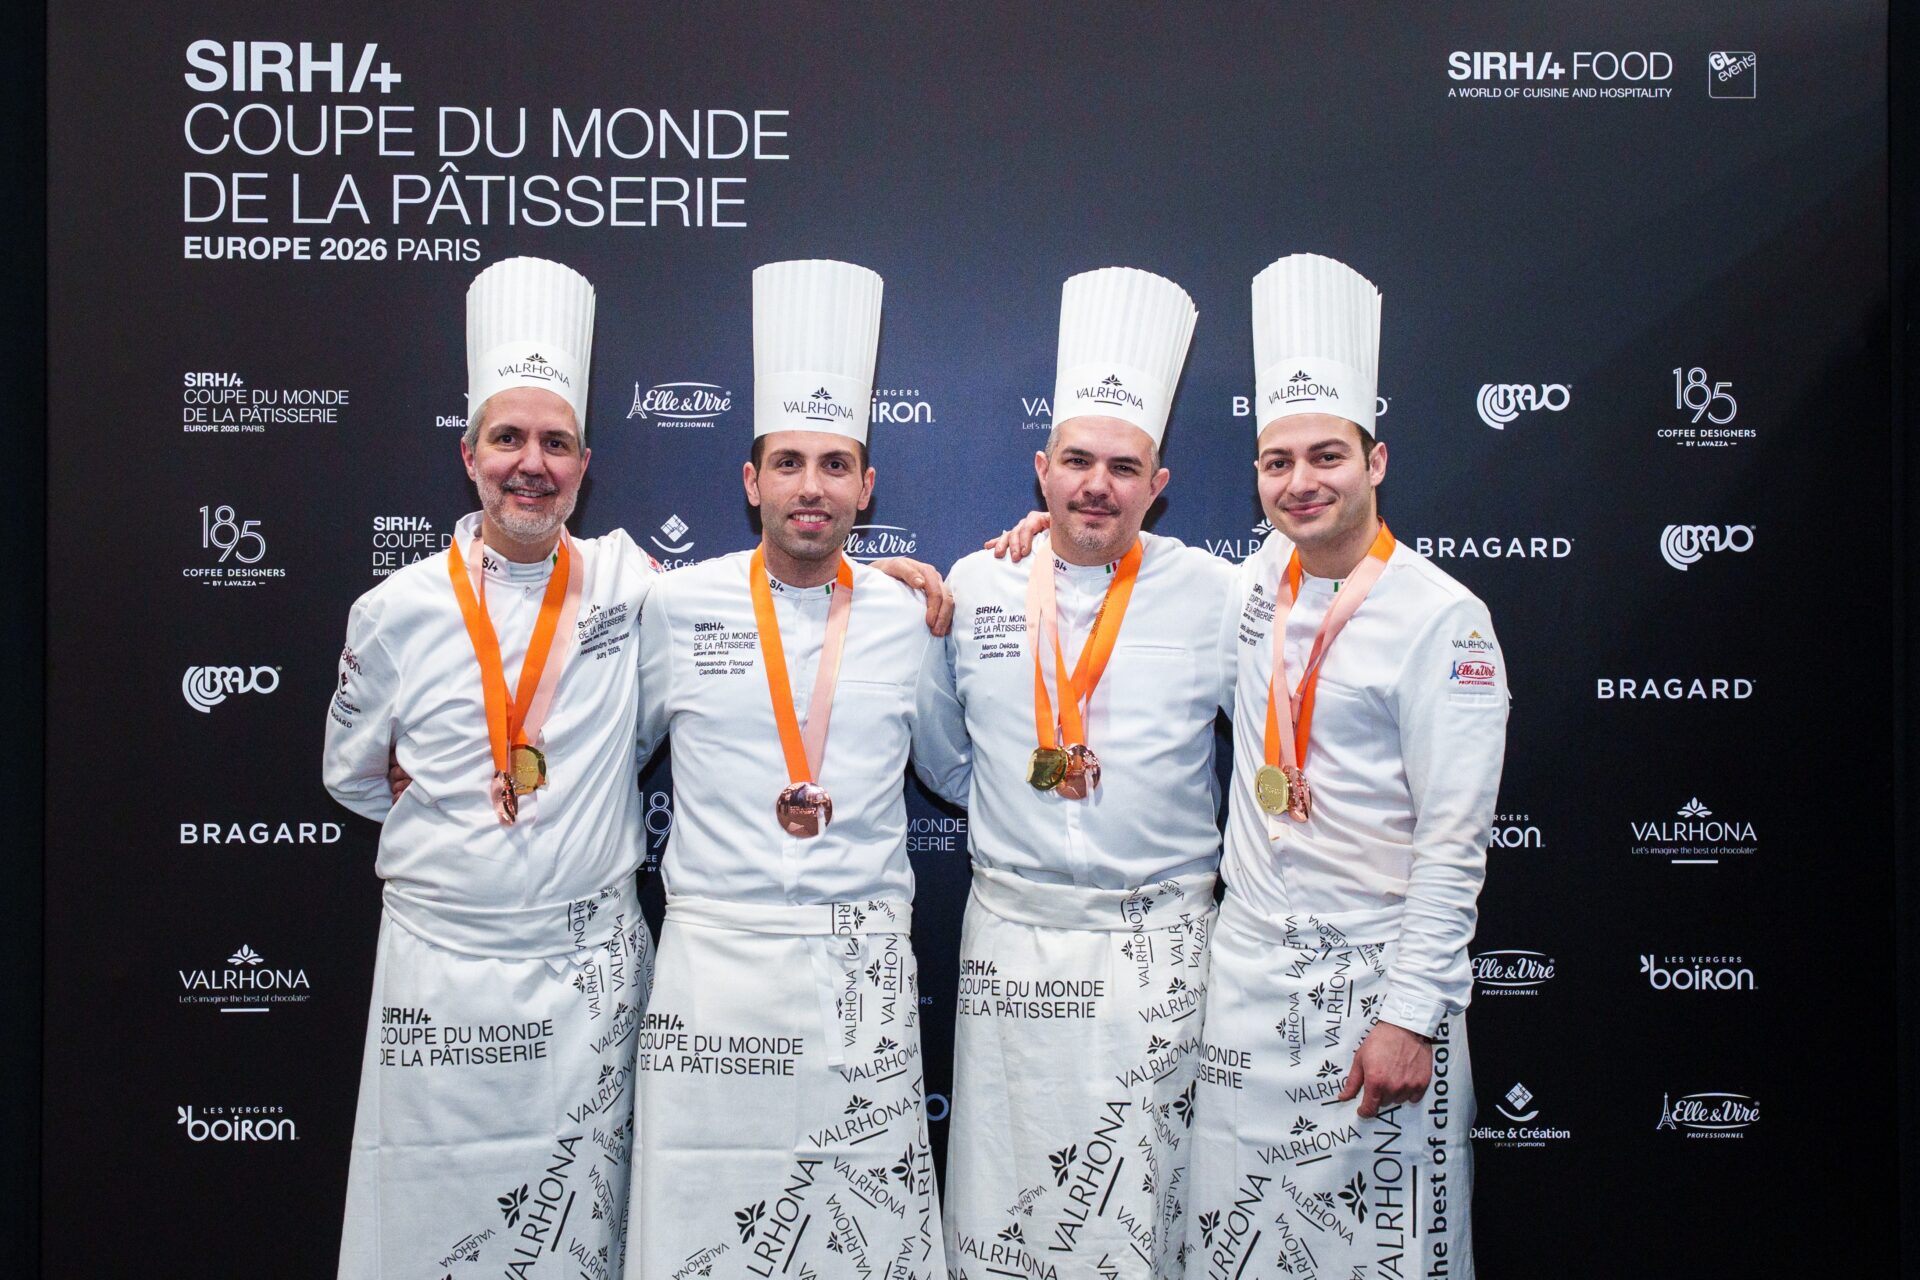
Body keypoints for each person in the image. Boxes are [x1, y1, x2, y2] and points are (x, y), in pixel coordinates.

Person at [625, 259, 958, 1280]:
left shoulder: (906, 615)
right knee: (704, 1225)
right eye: (788, 463)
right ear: (751, 481)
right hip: (714, 974)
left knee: (861, 1233)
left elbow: (955, 772)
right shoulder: (676, 606)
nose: (811, 486)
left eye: (834, 464)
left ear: (866, 486)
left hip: (859, 973)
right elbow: (608, 754)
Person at [325, 256, 657, 1276]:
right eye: (508, 438)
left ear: (585, 465)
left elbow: (774, 589)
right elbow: (351, 774)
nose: (531, 464)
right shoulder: (395, 610)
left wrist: (887, 579)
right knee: (432, 1232)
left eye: (555, 443)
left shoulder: (632, 582)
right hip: (443, 979)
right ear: (469, 455)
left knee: (575, 1235)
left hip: (586, 980)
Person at [1181, 253, 1508, 1278]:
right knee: (1239, 1247)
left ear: (1376, 461)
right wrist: (1037, 541)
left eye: (1327, 455)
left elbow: (1454, 842)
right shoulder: (1253, 583)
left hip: (1374, 988)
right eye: (1277, 461)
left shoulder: (1445, 618)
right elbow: (1119, 575)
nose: (1301, 481)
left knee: (1385, 1253)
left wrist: (1411, 1015)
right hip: (1246, 985)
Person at [916, 266, 1239, 1279]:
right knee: (1007, 1210)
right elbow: (947, 760)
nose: (1098, 484)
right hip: (1013, 947)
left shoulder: (1221, 594)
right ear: (1042, 470)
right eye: (1078, 461)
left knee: (1146, 1207)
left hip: (1160, 954)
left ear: (1158, 483)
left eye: (1123, 467)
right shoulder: (979, 582)